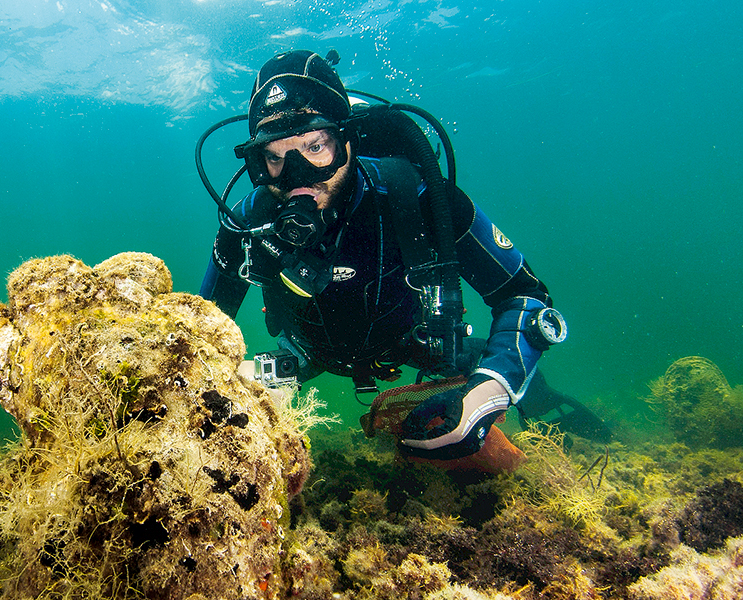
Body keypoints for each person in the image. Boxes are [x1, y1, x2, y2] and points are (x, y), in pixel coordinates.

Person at [199, 50, 604, 472]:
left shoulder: (417, 196)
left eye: (315, 146)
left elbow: (523, 293)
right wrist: (228, 376)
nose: (299, 175)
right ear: (256, 161)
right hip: (304, 353)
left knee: (489, 386)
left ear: (347, 139)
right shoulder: (246, 223)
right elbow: (198, 329)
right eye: (276, 156)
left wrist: (494, 386)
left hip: (413, 344)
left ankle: (539, 399)